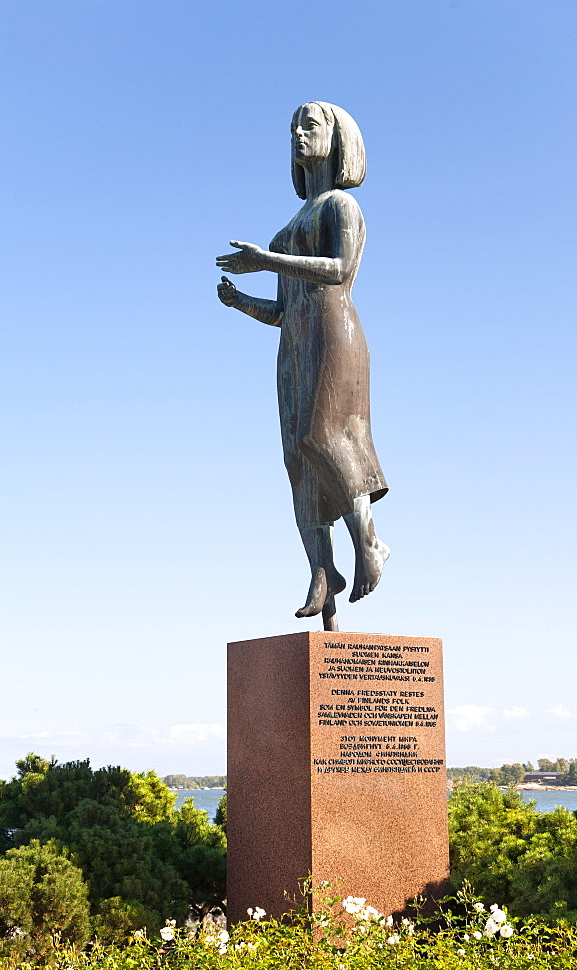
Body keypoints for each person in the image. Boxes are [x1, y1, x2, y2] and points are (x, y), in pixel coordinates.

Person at [216, 102, 388, 630]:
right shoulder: (289, 224)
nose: (296, 134)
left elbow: (338, 270)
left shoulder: (341, 206)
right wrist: (240, 299)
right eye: (292, 128)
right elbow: (282, 310)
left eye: (308, 126)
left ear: (337, 139)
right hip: (295, 345)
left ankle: (370, 541)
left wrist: (266, 260)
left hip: (335, 332)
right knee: (298, 461)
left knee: (323, 436)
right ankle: (322, 573)